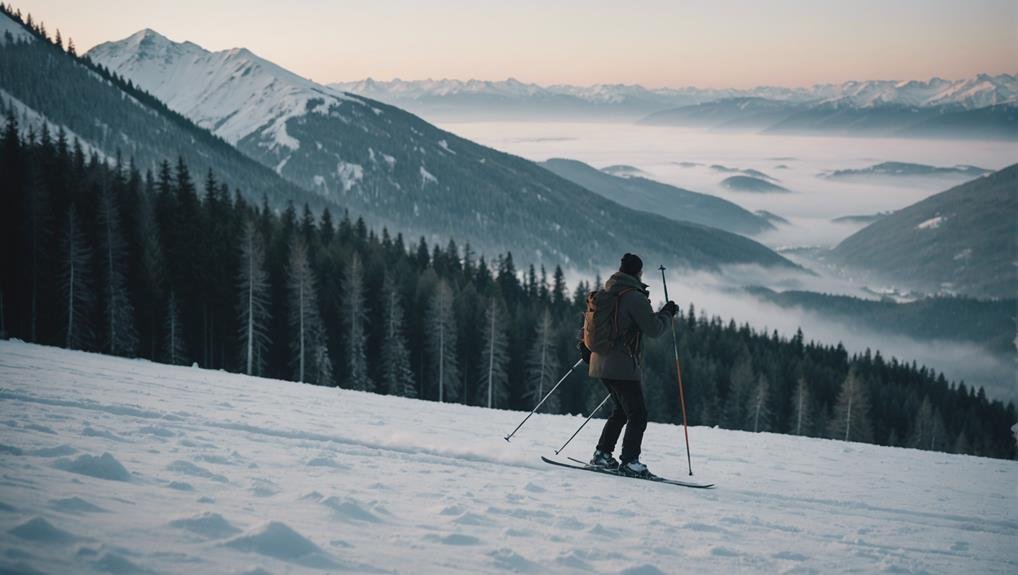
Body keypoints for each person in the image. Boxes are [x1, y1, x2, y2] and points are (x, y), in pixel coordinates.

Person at [587, 253, 678, 477]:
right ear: (638, 272)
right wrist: (667, 313)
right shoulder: (634, 298)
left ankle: (602, 455)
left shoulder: (608, 291)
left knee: (620, 411)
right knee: (638, 414)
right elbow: (654, 329)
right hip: (621, 365)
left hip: (600, 362)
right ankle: (629, 461)